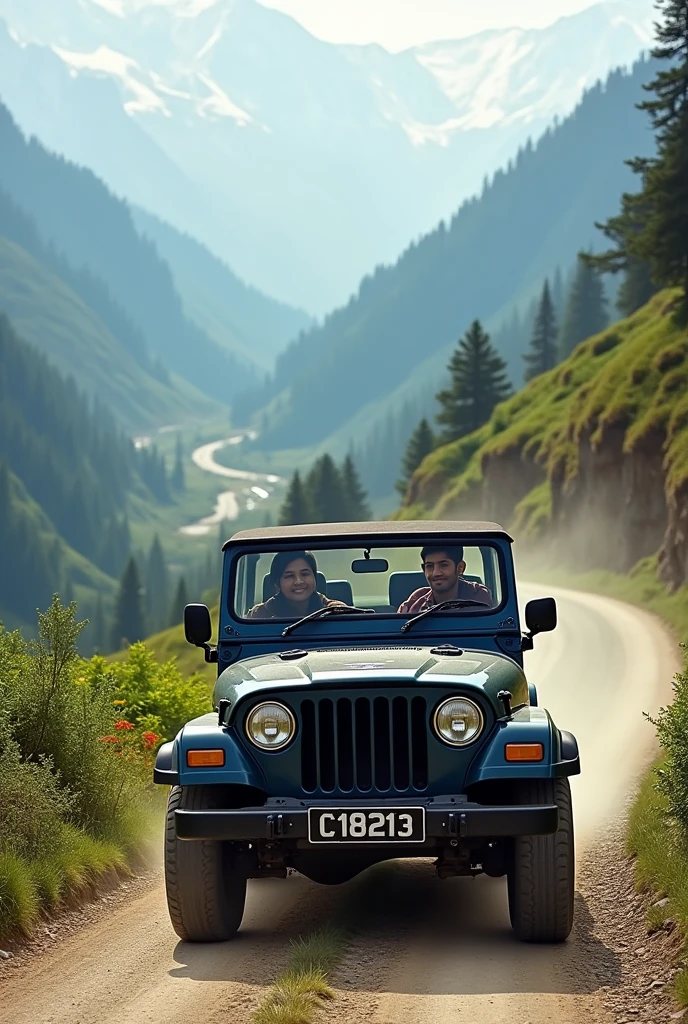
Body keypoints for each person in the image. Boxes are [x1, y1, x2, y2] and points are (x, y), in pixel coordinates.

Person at [248, 550, 346, 619]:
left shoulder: (337, 612)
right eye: (289, 576)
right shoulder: (258, 615)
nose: (298, 581)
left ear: (315, 578)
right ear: (277, 583)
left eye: (305, 574)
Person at [397, 545, 494, 614]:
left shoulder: (477, 595)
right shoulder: (416, 601)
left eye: (444, 565)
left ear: (460, 568)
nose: (436, 573)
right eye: (429, 566)